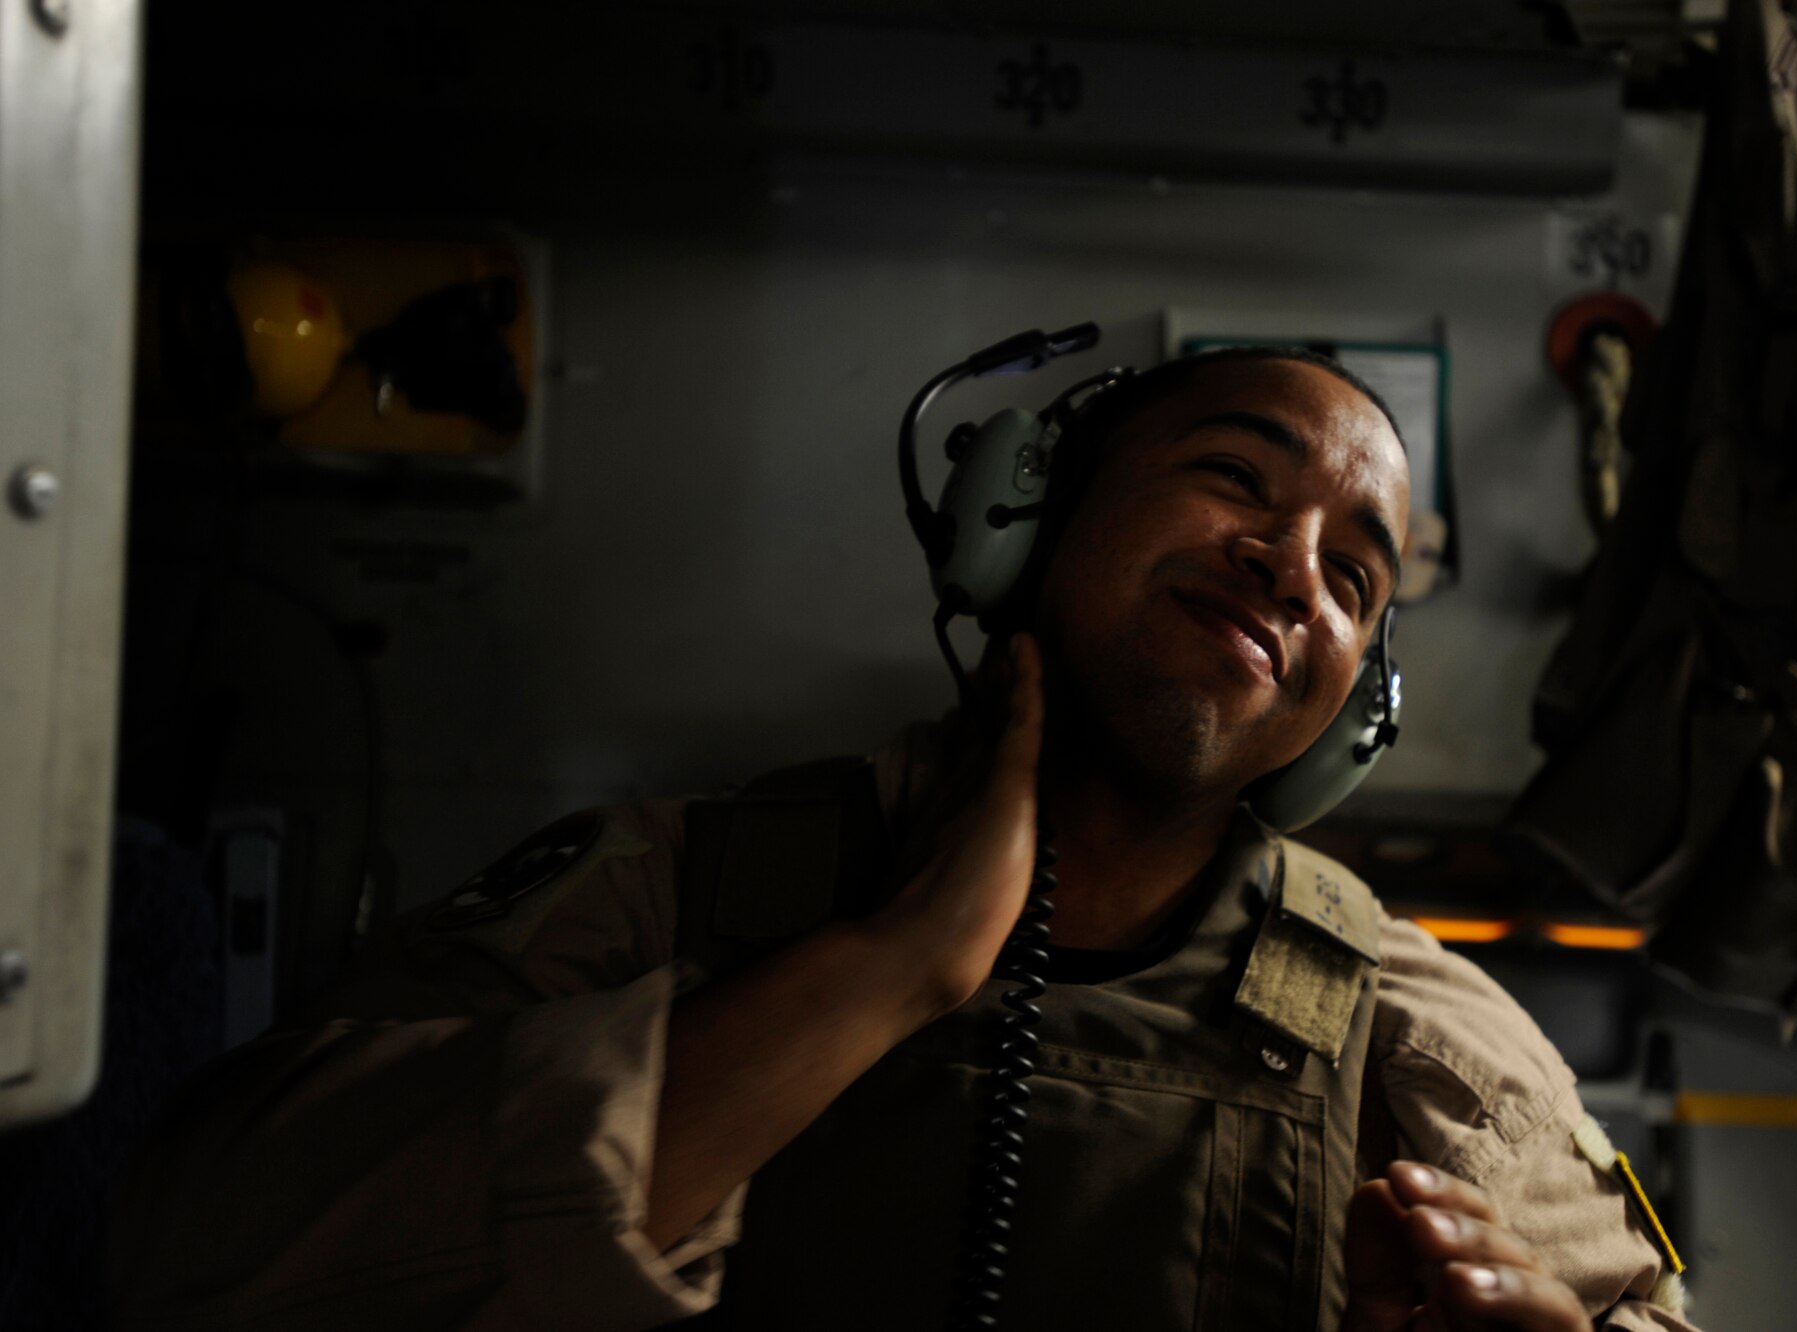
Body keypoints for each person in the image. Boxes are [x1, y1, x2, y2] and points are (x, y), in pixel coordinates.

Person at [112, 347, 1698, 1331]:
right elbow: (190, 1252)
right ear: (1025, 519)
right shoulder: (680, 889)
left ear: (1353, 715)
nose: (1293, 568)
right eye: (1234, 477)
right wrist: (886, 973)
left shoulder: (1410, 1033)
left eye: (1354, 578)